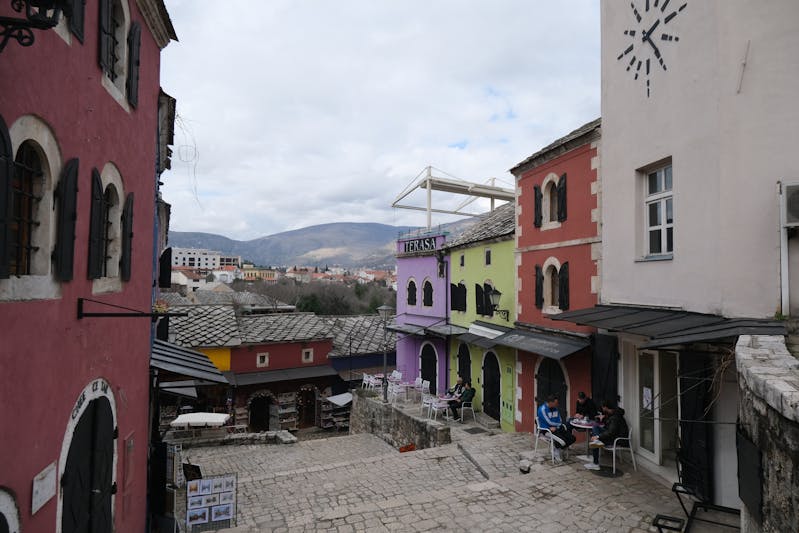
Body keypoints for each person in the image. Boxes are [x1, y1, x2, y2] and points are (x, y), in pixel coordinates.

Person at [584, 400, 629, 471]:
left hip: (618, 440)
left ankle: (595, 463)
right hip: (614, 436)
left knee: (596, 438)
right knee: (595, 427)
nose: (602, 409)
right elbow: (610, 426)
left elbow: (611, 432)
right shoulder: (613, 414)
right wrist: (603, 419)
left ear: (606, 407)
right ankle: (596, 441)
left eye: (603, 408)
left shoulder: (615, 417)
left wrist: (598, 436)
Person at [536, 395, 575, 462]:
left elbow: (559, 419)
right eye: (556, 403)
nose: (557, 404)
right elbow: (549, 422)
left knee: (572, 438)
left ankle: (557, 448)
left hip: (556, 428)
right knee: (562, 442)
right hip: (547, 430)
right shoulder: (542, 409)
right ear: (551, 402)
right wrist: (558, 425)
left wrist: (558, 426)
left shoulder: (555, 408)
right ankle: (556, 451)